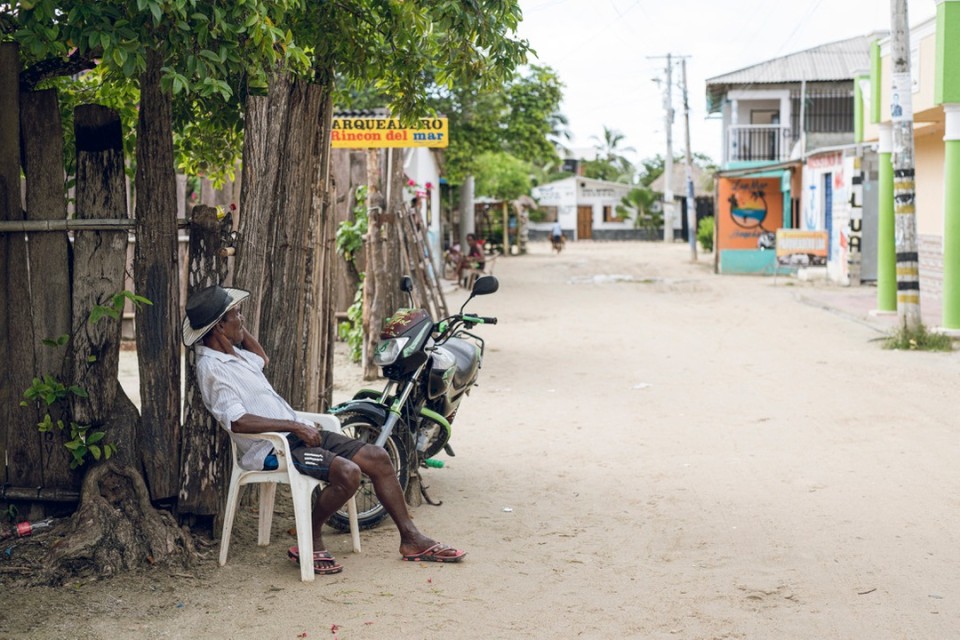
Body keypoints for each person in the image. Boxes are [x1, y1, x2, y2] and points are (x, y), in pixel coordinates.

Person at [183, 285, 466, 575]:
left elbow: (262, 359)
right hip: (272, 449)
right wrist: (293, 425)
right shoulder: (213, 369)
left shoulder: (235, 354)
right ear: (218, 327)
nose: (242, 318)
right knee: (349, 473)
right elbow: (237, 422)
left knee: (378, 456)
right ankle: (312, 537)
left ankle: (411, 538)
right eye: (236, 315)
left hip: (297, 433)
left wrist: (236, 330)